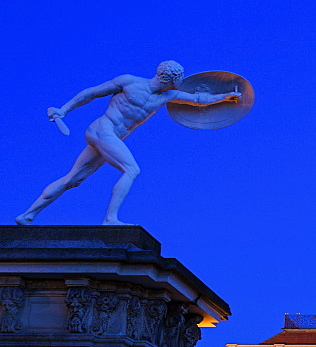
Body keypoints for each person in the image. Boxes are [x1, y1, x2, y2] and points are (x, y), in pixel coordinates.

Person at [16, 61, 241, 226]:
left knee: (72, 179)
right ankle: (110, 219)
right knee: (132, 170)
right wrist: (63, 109)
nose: (179, 84)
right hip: (102, 130)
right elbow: (91, 93)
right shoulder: (129, 81)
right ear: (172, 78)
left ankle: (27, 215)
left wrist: (229, 96)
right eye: (178, 80)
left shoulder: (166, 96)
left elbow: (199, 100)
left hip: (108, 137)